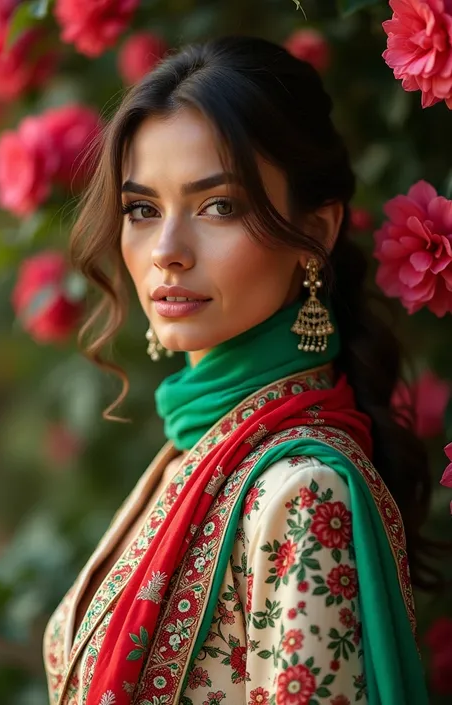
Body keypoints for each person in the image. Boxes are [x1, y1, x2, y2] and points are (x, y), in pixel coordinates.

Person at [43, 35, 434, 705]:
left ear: (316, 231)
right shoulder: (190, 452)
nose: (166, 251)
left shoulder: (304, 491)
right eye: (143, 209)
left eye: (218, 205)